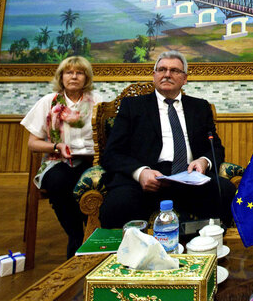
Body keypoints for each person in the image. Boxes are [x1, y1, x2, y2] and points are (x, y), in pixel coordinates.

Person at [99, 50, 236, 230]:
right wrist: (140, 173)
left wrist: (204, 161)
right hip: (146, 179)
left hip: (189, 178)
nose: (167, 74)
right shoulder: (132, 106)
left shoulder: (200, 107)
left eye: (174, 71)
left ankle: (208, 250)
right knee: (117, 205)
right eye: (161, 69)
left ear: (185, 79)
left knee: (224, 191)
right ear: (154, 75)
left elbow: (215, 147)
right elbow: (112, 153)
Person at [22, 55, 101, 257]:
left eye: (79, 73)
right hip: (58, 160)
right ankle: (75, 236)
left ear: (86, 77)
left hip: (91, 160)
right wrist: (56, 146)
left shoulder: (97, 102)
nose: (74, 77)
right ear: (61, 76)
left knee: (98, 181)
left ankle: (92, 235)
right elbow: (33, 143)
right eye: (69, 72)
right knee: (58, 181)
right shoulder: (48, 102)